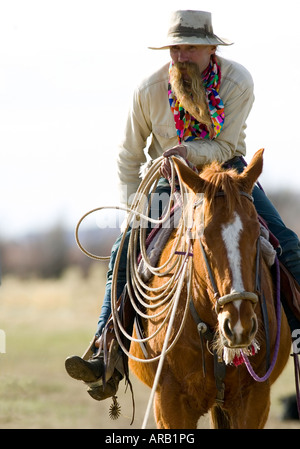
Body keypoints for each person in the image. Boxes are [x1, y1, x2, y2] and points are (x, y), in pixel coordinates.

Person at [65, 10, 300, 401]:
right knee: (123, 256)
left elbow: (225, 146)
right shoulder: (149, 89)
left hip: (228, 173)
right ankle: (106, 352)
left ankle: (295, 333)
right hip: (167, 180)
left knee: (287, 245)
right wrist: (135, 210)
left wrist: (186, 150)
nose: (179, 57)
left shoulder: (238, 81)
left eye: (189, 48)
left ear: (211, 49)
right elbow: (128, 156)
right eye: (174, 48)